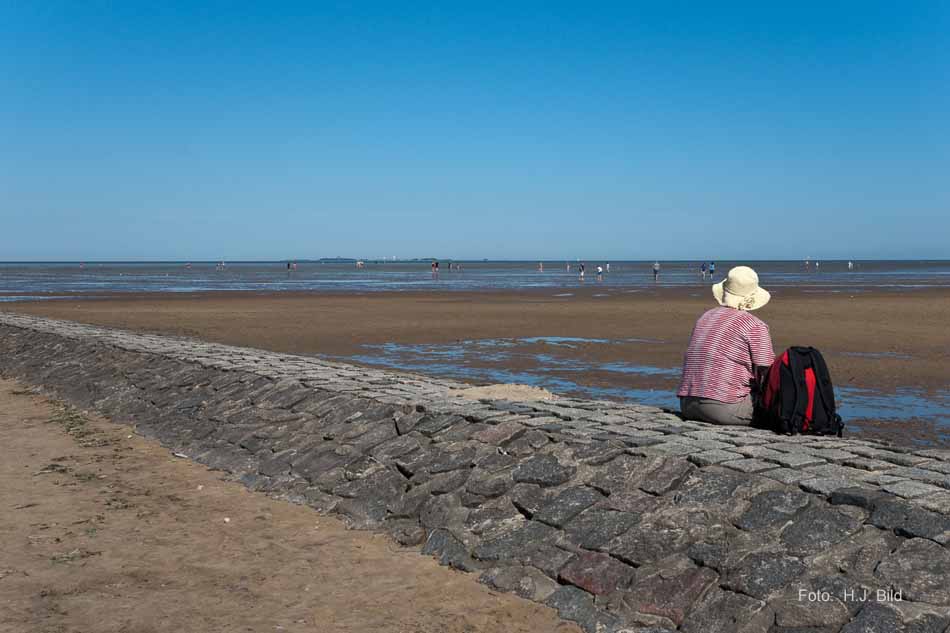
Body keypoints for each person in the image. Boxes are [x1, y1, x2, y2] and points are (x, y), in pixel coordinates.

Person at [677, 266, 774, 426]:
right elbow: (767, 371)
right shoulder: (754, 325)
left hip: (687, 404)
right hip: (724, 407)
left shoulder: (705, 317)